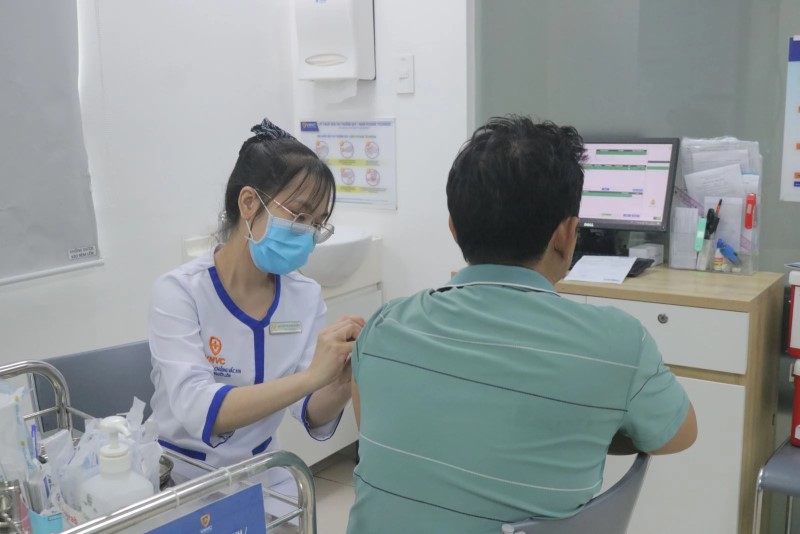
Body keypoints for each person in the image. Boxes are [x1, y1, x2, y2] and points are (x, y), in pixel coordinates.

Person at [347, 116, 697, 533]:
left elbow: (375, 429)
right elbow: (678, 436)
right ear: (567, 234)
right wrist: (589, 424)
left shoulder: (383, 325)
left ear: (454, 230)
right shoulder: (619, 343)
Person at [148, 119, 363, 484]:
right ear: (249, 203)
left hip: (263, 470)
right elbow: (200, 408)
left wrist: (340, 380)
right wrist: (313, 376)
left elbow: (310, 410)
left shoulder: (304, 295)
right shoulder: (179, 292)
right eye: (299, 215)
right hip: (183, 477)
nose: (307, 234)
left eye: (317, 224)